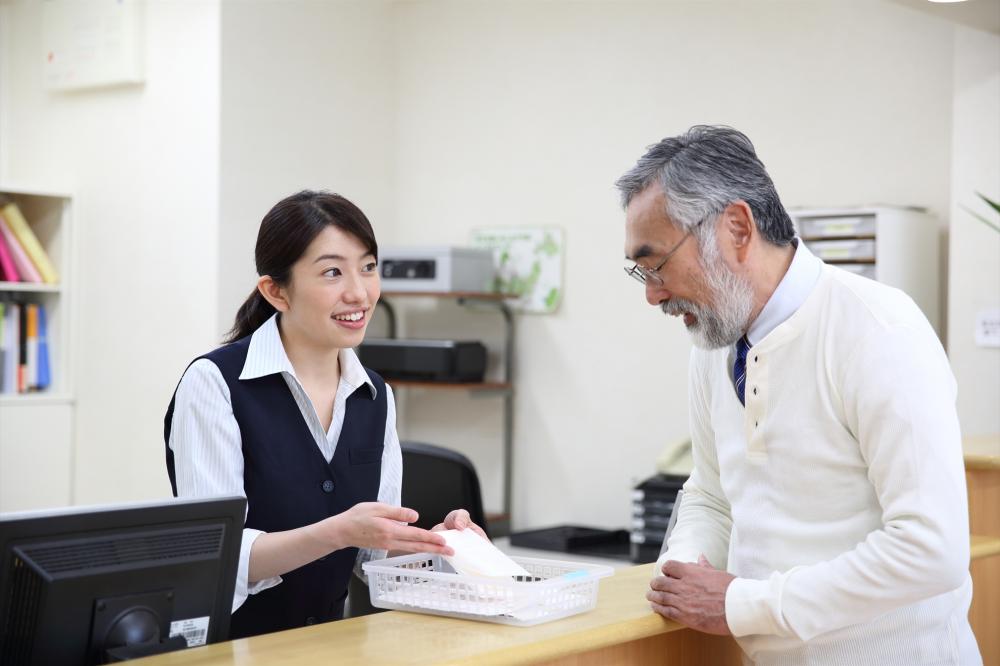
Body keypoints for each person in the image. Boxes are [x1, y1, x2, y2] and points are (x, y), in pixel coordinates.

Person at [616, 126, 981, 665]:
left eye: (657, 264)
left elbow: (931, 550)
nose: (652, 293)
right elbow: (712, 493)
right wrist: (683, 572)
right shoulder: (714, 342)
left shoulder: (879, 326)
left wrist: (742, 603)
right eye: (639, 272)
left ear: (737, 228)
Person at [164, 190, 484, 639]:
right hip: (228, 648)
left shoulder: (376, 395)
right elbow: (219, 557)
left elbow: (373, 558)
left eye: (369, 267)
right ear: (276, 291)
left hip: (327, 647)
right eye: (332, 272)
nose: (359, 292)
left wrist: (441, 546)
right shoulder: (214, 384)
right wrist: (337, 532)